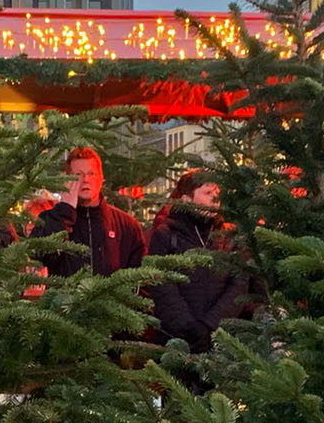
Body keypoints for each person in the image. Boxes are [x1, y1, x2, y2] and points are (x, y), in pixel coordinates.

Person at [147, 172, 248, 351]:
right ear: (186, 199)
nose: (215, 198)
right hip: (177, 340)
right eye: (207, 193)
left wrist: (210, 325)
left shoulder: (229, 236)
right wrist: (189, 327)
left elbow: (239, 284)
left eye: (217, 192)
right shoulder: (166, 234)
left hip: (221, 339)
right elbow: (162, 285)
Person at [31, 146, 146, 278]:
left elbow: (140, 277)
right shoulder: (52, 218)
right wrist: (64, 212)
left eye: (91, 174)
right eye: (78, 175)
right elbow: (38, 252)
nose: (85, 180)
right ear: (68, 180)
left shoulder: (126, 225)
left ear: (101, 178)